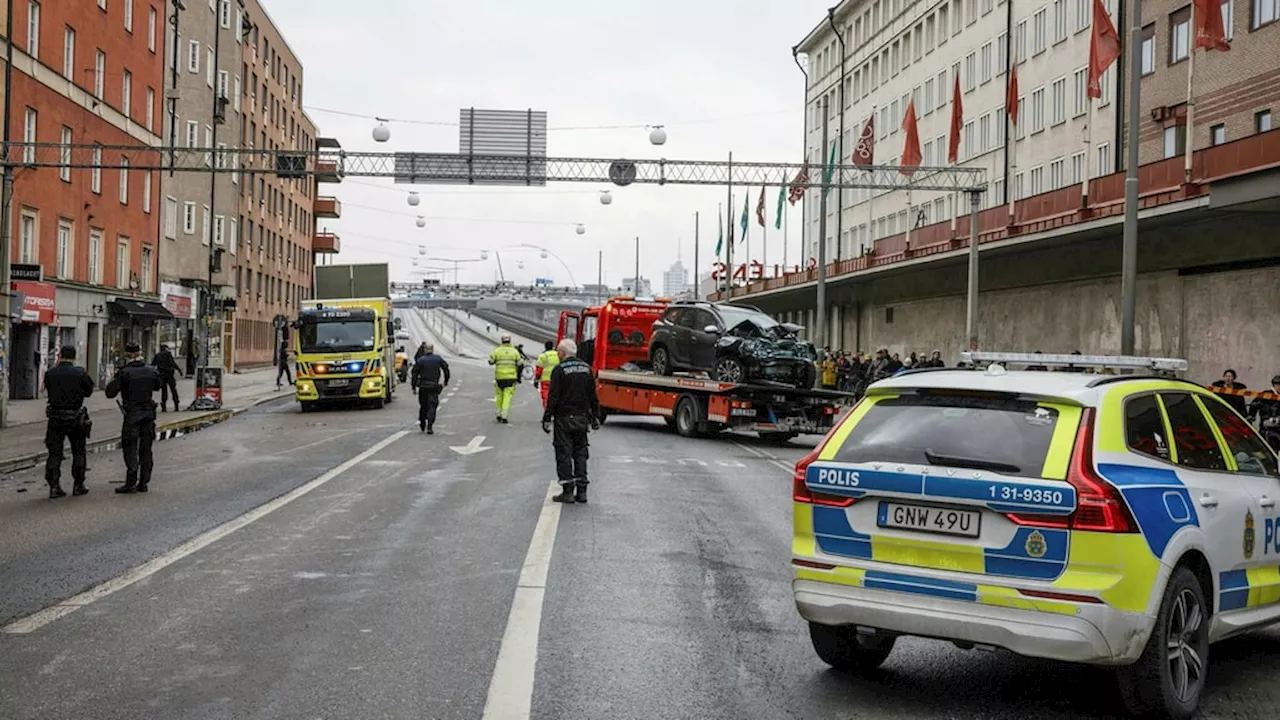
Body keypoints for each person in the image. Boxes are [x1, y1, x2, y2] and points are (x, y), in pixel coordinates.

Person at [542, 339, 600, 504]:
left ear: (562, 353)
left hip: (563, 419)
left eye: (558, 353)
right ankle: (582, 492)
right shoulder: (587, 369)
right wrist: (595, 416)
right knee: (581, 454)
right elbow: (593, 397)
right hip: (582, 419)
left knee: (564, 454)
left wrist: (547, 418)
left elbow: (553, 396)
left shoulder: (559, 370)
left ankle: (568, 491)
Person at [104, 342, 161, 494]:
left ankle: (131, 481)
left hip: (132, 415)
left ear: (126, 355)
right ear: (140, 352)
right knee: (146, 449)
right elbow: (157, 386)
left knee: (130, 448)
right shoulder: (151, 370)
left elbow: (110, 393)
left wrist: (113, 379)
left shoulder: (124, 372)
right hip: (148, 414)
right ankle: (144, 482)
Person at [43, 345, 95, 499]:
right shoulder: (80, 373)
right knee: (78, 451)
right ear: (73, 357)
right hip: (75, 417)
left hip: (55, 416)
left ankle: (53, 486)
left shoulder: (50, 373)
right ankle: (78, 485)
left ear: (60, 356)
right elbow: (89, 391)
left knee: (54, 453)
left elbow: (48, 389)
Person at [411, 343, 450, 434]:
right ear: (432, 349)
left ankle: (422, 422)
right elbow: (446, 368)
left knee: (423, 406)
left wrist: (413, 386)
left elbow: (414, 374)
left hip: (423, 386)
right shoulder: (438, 359)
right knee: (432, 406)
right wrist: (446, 381)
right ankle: (430, 425)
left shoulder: (420, 360)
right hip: (433, 386)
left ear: (425, 350)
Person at [488, 333, 522, 423]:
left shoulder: (497, 351)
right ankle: (504, 416)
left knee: (499, 396)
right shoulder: (514, 351)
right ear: (509, 341)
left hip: (499, 377)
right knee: (507, 397)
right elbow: (519, 363)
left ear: (502, 341)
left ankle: (498, 414)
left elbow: (491, 361)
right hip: (511, 378)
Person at [151, 343, 182, 411]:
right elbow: (172, 363)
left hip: (162, 375)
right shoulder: (168, 354)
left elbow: (152, 365)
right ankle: (176, 405)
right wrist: (179, 370)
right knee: (173, 389)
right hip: (169, 374)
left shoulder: (157, 355)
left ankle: (164, 406)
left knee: (164, 390)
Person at [535, 340, 560, 409]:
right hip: (556, 380)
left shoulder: (543, 356)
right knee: (556, 395)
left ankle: (547, 411)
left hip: (545, 380)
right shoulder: (558, 355)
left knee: (545, 396)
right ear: (553, 346)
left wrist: (536, 380)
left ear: (545, 347)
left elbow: (539, 370)